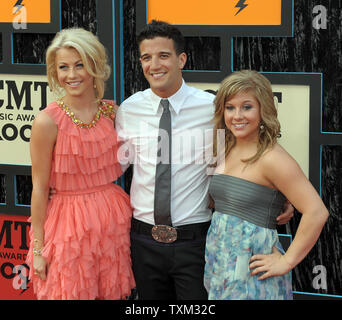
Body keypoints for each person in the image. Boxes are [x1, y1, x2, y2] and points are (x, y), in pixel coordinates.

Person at [115, 20, 294, 300]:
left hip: (196, 241)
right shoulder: (129, 109)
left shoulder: (212, 108)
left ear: (181, 59)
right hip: (142, 240)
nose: (154, 65)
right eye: (146, 57)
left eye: (163, 55)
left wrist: (279, 193)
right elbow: (113, 165)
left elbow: (246, 153)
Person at [26, 27, 135, 300]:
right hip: (66, 223)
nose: (71, 75)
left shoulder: (113, 113)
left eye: (80, 65)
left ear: (94, 67)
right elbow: (39, 189)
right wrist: (38, 250)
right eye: (63, 67)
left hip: (110, 219)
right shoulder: (46, 122)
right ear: (55, 72)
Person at [204, 70, 329, 300]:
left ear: (263, 109)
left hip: (253, 272)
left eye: (247, 107)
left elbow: (316, 211)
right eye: (230, 107)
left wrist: (287, 261)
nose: (237, 115)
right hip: (221, 264)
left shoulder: (273, 157)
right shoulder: (226, 146)